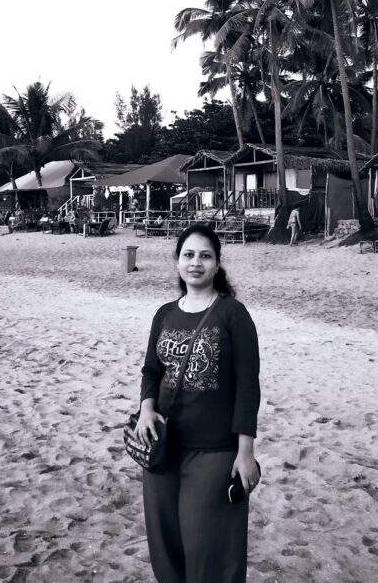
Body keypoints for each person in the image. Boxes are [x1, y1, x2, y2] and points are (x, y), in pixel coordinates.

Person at [135, 223, 260, 583]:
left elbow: (247, 386)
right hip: (162, 449)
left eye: (205, 256)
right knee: (167, 545)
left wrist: (245, 452)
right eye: (189, 255)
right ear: (177, 261)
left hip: (214, 453)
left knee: (208, 549)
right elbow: (151, 370)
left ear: (217, 264)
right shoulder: (164, 314)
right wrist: (146, 409)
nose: (196, 263)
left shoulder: (233, 314)